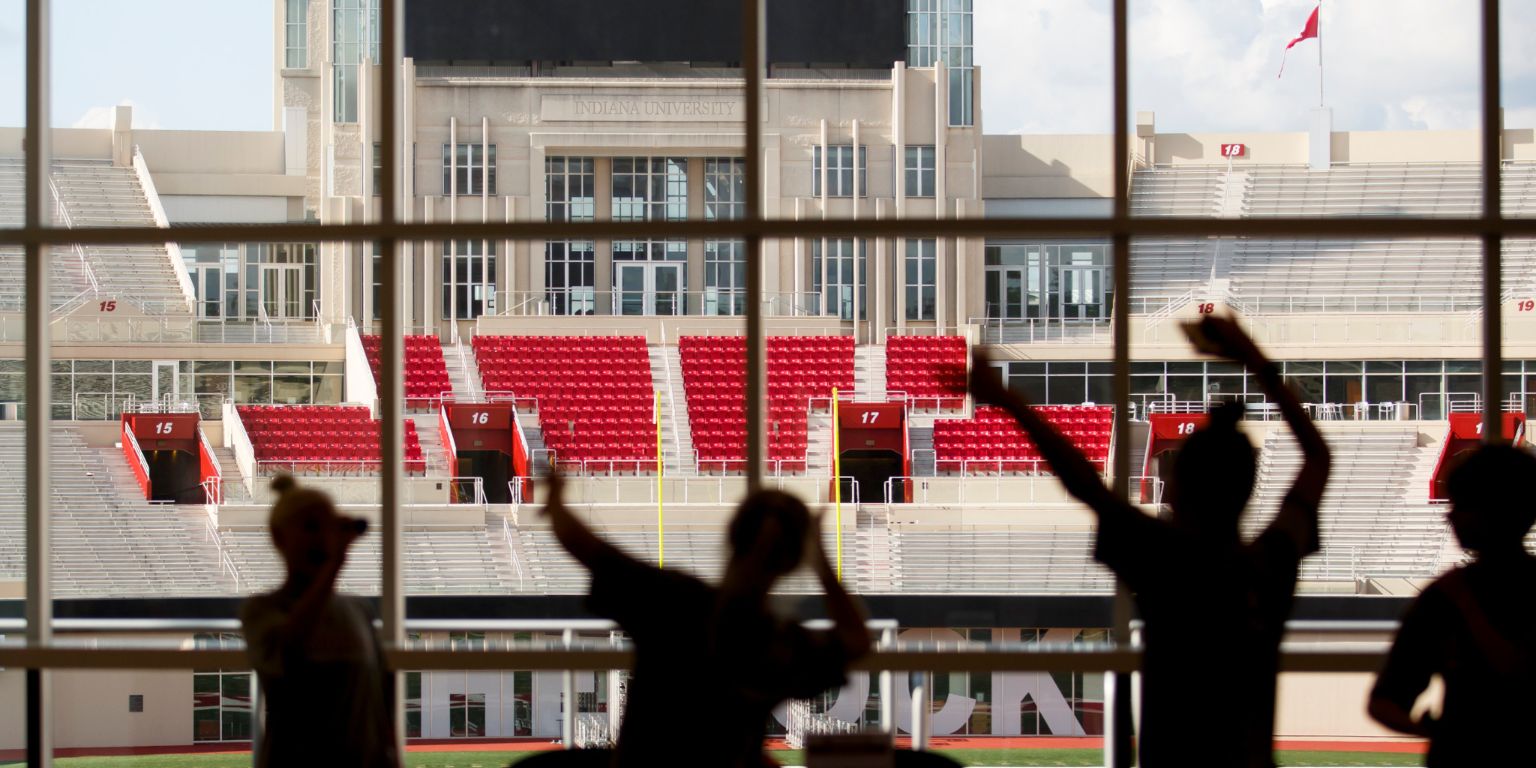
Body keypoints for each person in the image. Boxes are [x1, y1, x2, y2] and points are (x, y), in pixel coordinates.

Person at [968, 315, 1330, 768]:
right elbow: (1318, 456)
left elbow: (1083, 482)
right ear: (1245, 490)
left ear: (1176, 491)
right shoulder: (1269, 562)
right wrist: (1255, 361)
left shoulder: (1166, 559)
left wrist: (1007, 401)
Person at [539, 472, 870, 768]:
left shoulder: (675, 600)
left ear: (731, 536)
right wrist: (822, 562)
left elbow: (581, 543)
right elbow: (857, 639)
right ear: (794, 561)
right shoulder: (778, 641)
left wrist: (554, 498)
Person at [1368, 444, 1536, 766]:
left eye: (1462, 505)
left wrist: (1441, 732)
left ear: (1497, 511)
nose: (1450, 516)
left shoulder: (1445, 597)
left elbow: (1385, 702)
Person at [240, 475, 399, 768]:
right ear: (278, 537)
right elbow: (290, 652)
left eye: (326, 527)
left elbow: (381, 696)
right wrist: (333, 565)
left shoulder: (358, 610)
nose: (321, 538)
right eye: (310, 527)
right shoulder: (261, 610)